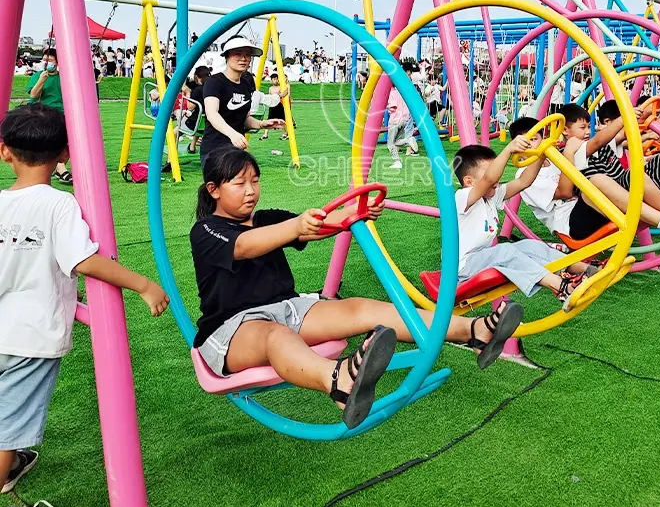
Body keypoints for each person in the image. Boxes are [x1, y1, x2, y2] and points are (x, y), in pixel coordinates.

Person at [190, 149, 523, 430]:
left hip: (288, 309)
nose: (250, 190)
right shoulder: (206, 230)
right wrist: (294, 226)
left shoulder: (267, 218)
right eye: (239, 183)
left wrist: (354, 213)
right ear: (214, 189)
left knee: (364, 308)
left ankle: (475, 331)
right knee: (275, 337)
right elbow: (245, 246)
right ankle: (338, 381)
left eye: (255, 181)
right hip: (234, 328)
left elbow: (317, 228)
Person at [0, 104, 169, 498]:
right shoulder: (59, 204)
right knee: (8, 425)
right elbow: (84, 260)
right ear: (65, 154)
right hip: (30, 338)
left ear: (5, 151)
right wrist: (143, 284)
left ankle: (11, 465)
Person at [452, 142, 599, 310]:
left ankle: (585, 269)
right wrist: (508, 149)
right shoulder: (462, 197)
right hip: (462, 268)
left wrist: (541, 154)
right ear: (469, 181)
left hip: (483, 257)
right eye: (491, 171)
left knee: (529, 245)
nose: (497, 178)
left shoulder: (491, 196)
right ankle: (562, 288)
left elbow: (523, 181)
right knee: (504, 250)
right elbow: (489, 179)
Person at [560, 103, 660, 247]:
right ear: (565, 130)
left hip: (623, 187)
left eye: (589, 127)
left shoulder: (598, 145)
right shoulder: (570, 151)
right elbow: (598, 141)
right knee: (635, 175)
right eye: (582, 128)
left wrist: (646, 116)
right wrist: (626, 116)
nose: (588, 132)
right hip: (607, 199)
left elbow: (622, 133)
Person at [200, 36, 286, 168]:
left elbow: (244, 118)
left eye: (247, 54)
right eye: (238, 54)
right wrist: (233, 134)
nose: (243, 58)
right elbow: (212, 114)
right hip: (214, 149)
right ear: (227, 56)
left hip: (236, 149)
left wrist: (262, 124)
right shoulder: (215, 82)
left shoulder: (246, 84)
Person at [26, 48, 72, 185]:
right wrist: (41, 80)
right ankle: (60, 168)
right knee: (53, 139)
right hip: (42, 112)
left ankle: (56, 167)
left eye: (50, 60)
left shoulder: (63, 77)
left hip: (62, 113)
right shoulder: (38, 75)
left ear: (57, 62)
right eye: (45, 60)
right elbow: (33, 95)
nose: (47, 63)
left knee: (67, 141)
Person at [385, 63, 419, 169]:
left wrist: (386, 106)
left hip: (395, 120)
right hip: (404, 119)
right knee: (397, 141)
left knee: (390, 144)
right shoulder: (402, 92)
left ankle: (397, 162)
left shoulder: (391, 93)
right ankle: (408, 140)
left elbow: (392, 107)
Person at [259, 73, 292, 141]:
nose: (276, 81)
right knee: (269, 120)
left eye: (277, 79)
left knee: (282, 121)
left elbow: (285, 93)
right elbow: (270, 96)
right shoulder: (270, 88)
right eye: (274, 79)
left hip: (279, 106)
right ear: (271, 80)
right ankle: (265, 135)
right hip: (272, 106)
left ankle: (284, 134)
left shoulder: (281, 87)